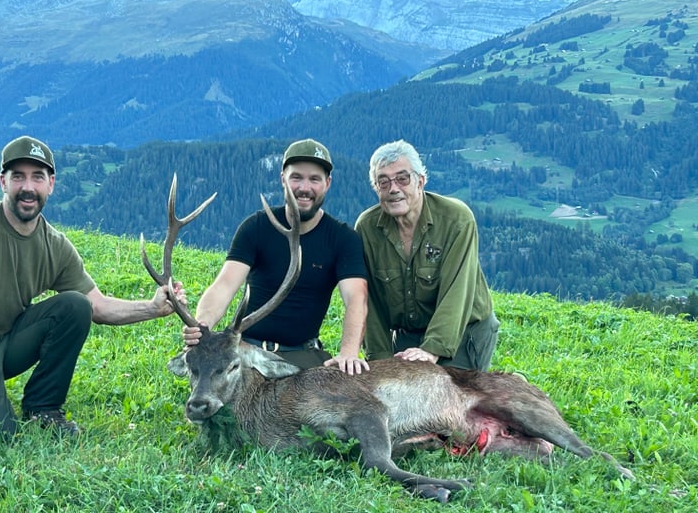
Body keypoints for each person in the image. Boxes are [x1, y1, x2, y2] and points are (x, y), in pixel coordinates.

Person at [0, 135, 184, 436]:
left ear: (51, 184)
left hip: (10, 340)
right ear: (3, 182)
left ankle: (43, 408)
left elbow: (98, 306)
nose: (28, 188)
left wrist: (153, 307)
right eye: (18, 177)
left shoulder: (55, 245)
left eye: (37, 177)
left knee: (75, 306)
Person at [182, 139, 369, 374]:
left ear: (327, 183)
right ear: (283, 179)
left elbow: (356, 299)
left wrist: (349, 352)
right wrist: (203, 326)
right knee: (215, 404)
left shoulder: (342, 239)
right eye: (296, 177)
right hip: (247, 352)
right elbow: (224, 286)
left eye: (314, 179)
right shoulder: (257, 227)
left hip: (302, 356)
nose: (304, 188)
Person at [354, 139, 498, 371]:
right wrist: (380, 362)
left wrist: (433, 350)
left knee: (450, 399)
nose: (393, 189)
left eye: (403, 178)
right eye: (383, 182)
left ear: (420, 181)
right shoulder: (367, 229)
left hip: (463, 332)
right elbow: (370, 301)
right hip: (409, 336)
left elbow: (457, 290)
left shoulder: (457, 220)